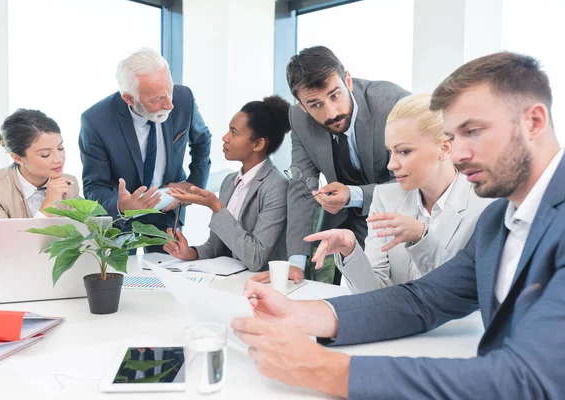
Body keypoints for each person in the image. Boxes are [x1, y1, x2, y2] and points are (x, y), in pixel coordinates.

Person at [231, 52, 565, 398]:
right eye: (454, 136)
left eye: (474, 132)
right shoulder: (499, 220)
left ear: (534, 122)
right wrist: (303, 315)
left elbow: (530, 379)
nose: (458, 153)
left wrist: (325, 370)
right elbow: (423, 299)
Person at [256, 46, 410, 285]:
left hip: (394, 224)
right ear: (301, 105)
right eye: (315, 104)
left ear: (347, 80)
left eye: (335, 95)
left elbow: (417, 181)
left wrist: (354, 194)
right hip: (342, 230)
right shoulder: (298, 119)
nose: (331, 112)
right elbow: (301, 188)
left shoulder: (394, 105)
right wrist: (296, 264)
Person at [319, 93, 493, 293]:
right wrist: (349, 251)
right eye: (390, 151)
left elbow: (468, 292)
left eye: (404, 151)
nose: (391, 165)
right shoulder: (385, 197)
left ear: (445, 148)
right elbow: (375, 293)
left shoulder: (485, 206)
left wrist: (421, 238)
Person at [79, 48, 211, 252]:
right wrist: (122, 206)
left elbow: (202, 141)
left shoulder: (183, 99)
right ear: (129, 99)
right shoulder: (95, 121)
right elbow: (95, 186)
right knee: (122, 278)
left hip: (167, 209)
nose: (170, 104)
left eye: (170, 90)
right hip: (121, 220)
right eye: (157, 99)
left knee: (168, 273)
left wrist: (192, 186)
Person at [163, 96, 290, 272]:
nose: (225, 138)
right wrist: (190, 253)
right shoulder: (230, 182)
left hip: (261, 287)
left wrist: (215, 207)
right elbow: (217, 248)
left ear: (258, 144)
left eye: (234, 132)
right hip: (229, 282)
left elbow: (256, 259)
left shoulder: (277, 186)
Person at [0, 109, 79, 219]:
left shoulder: (69, 184)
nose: (58, 159)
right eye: (45, 154)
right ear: (18, 158)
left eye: (60, 148)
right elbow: (2, 236)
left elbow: (76, 233)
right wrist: (50, 203)